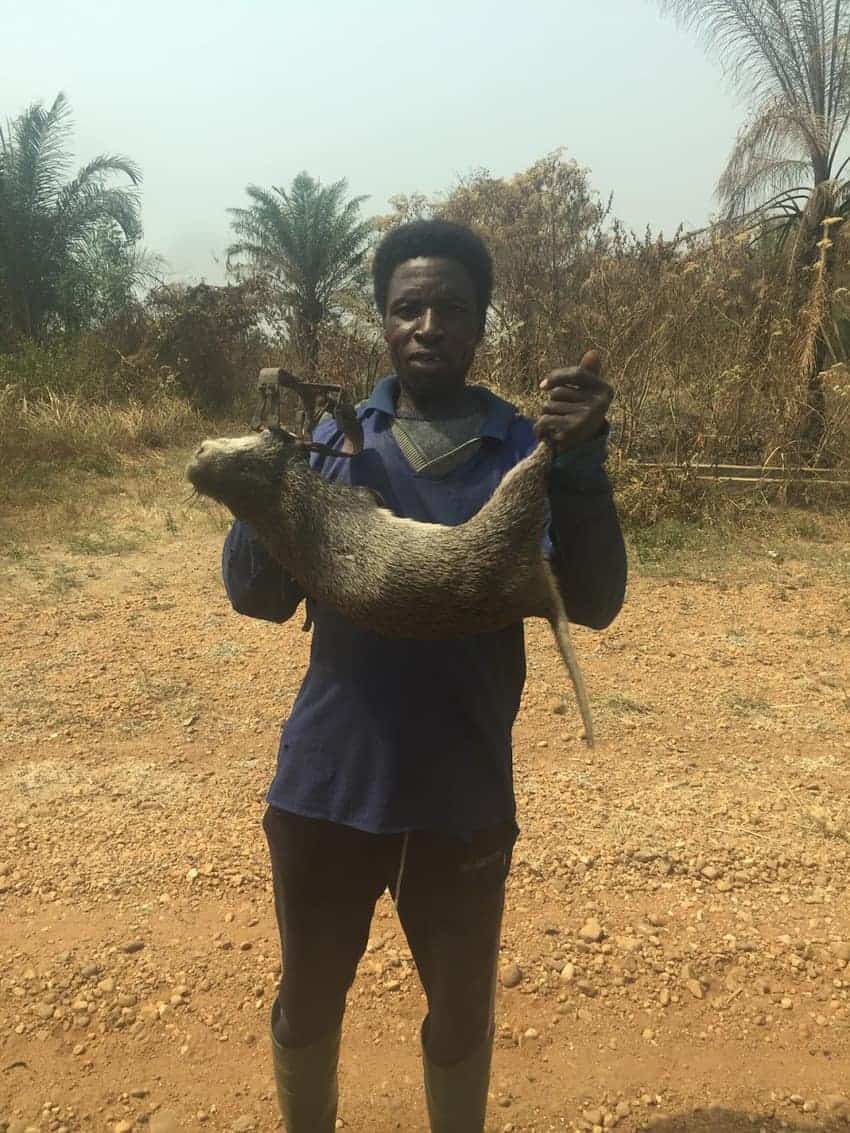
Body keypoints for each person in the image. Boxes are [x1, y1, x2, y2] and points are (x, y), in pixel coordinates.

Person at [221, 219, 627, 1132]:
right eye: (409, 308)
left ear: (483, 323)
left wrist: (583, 467)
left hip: (462, 793)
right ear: (384, 323)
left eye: (451, 307)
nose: (429, 325)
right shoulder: (334, 436)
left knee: (459, 1021)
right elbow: (254, 595)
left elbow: (594, 601)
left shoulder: (526, 448)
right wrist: (275, 469)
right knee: (310, 1002)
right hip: (328, 783)